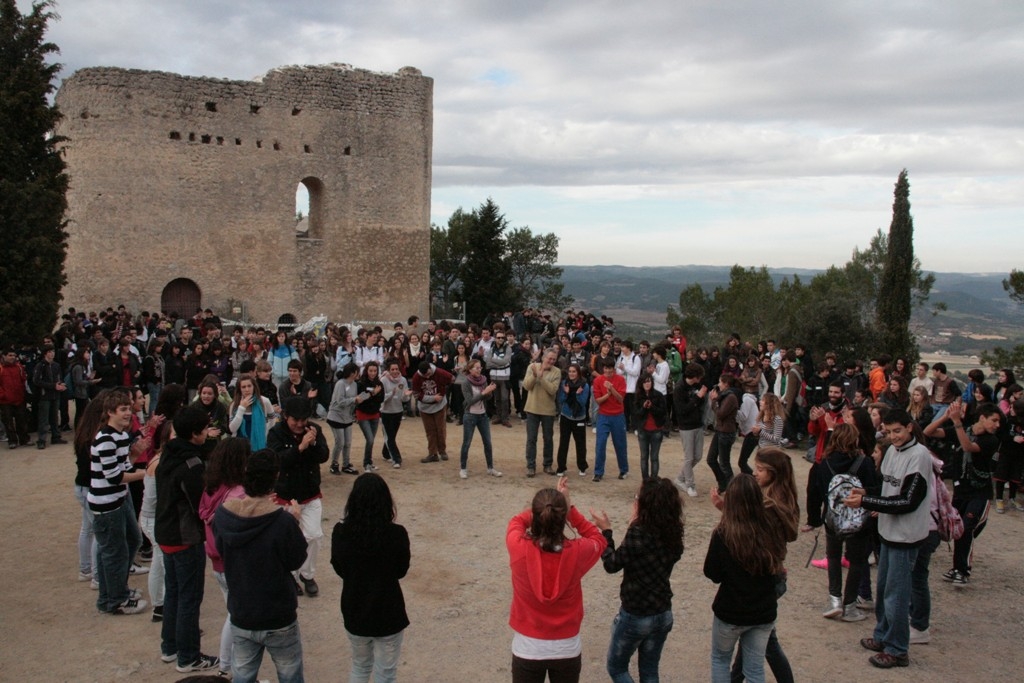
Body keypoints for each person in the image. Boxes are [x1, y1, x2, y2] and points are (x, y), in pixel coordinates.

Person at [844, 409, 933, 669]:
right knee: (883, 589)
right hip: (888, 532)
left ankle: (897, 649)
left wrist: (866, 501)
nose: (893, 436)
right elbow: (887, 489)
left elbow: (908, 501)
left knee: (897, 595)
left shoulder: (919, 456)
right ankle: (883, 635)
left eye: (898, 431)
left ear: (910, 428)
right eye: (889, 431)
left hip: (906, 536)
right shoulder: (892, 451)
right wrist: (866, 492)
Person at [214, 448, 308, 683]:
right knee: (290, 675)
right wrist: (295, 522)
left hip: (242, 610)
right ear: (275, 478)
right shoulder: (282, 521)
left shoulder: (224, 515)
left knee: (243, 675)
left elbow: (221, 550)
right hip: (277, 614)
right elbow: (296, 560)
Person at [506, 477, 606, 682]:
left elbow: (516, 521)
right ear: (562, 519)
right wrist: (569, 509)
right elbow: (598, 538)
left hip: (528, 647)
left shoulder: (518, 547)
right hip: (566, 646)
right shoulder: (578, 551)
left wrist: (544, 508)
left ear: (535, 517)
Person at [590, 478, 684, 683]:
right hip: (662, 610)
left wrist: (606, 533)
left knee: (617, 668)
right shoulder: (673, 532)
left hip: (637, 613)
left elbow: (612, 564)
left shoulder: (638, 534)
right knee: (649, 671)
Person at [704, 474, 788, 683]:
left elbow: (712, 573)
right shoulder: (770, 530)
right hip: (763, 611)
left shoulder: (724, 534)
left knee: (720, 660)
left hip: (731, 611)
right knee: (755, 669)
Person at [157, 405, 220, 673]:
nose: (207, 433)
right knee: (189, 598)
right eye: (205, 429)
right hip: (185, 538)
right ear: (195, 433)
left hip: (166, 533)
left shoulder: (168, 454)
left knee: (174, 592)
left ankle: (170, 646)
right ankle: (189, 656)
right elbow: (200, 507)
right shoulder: (191, 465)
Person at [331, 473, 410, 683]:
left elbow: (339, 567)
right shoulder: (396, 534)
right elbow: (401, 570)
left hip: (355, 608)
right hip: (388, 611)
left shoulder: (341, 532)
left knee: (360, 666)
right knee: (386, 672)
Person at [803, 423, 878, 622]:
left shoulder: (824, 463)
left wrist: (815, 518)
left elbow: (814, 491)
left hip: (832, 517)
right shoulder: (864, 462)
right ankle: (850, 605)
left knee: (833, 557)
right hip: (858, 518)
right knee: (857, 561)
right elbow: (874, 488)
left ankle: (834, 600)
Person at [925, 399, 999, 585]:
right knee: (956, 530)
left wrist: (957, 422)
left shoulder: (990, 440)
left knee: (966, 529)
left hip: (980, 494)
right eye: (994, 420)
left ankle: (962, 570)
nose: (997, 425)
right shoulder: (962, 430)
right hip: (960, 493)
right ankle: (957, 568)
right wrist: (945, 417)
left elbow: (968, 447)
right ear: (982, 418)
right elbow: (928, 432)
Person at [88, 389, 147, 615]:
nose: (128, 413)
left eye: (128, 409)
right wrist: (145, 474)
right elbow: (114, 477)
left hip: (119, 499)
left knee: (132, 540)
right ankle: (116, 599)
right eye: (123, 409)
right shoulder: (105, 439)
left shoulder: (121, 436)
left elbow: (124, 466)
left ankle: (114, 592)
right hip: (106, 504)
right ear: (110, 412)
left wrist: (135, 455)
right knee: (114, 552)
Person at [199, 438, 250, 679]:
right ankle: (227, 667)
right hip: (231, 562)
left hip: (216, 559)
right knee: (236, 616)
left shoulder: (211, 488)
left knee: (233, 612)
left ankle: (227, 666)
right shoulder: (237, 494)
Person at [268, 396, 329, 598]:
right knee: (287, 540)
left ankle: (307, 574)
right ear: (286, 416)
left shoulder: (314, 430)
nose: (300, 424)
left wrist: (313, 443)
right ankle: (291, 577)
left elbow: (324, 456)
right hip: (285, 495)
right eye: (296, 420)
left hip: (310, 493)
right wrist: (300, 447)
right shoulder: (276, 433)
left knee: (314, 535)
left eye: (304, 420)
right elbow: (277, 460)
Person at [458, 359, 503, 479]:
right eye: (477, 368)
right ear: (470, 369)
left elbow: (487, 398)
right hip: (470, 415)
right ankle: (463, 469)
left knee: (487, 442)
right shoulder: (465, 382)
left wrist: (489, 392)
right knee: (467, 443)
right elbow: (469, 401)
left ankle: (490, 468)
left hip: (483, 415)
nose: (479, 370)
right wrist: (484, 392)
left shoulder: (483, 379)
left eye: (480, 368)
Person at [523, 349, 562, 477]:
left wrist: (541, 377)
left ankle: (547, 464)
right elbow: (526, 386)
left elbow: (552, 390)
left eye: (554, 359)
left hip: (548, 410)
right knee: (531, 439)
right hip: (532, 408)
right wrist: (535, 376)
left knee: (548, 439)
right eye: (549, 358)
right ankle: (530, 466)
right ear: (543, 357)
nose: (551, 361)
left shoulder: (557, 372)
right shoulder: (532, 367)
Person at [673, 363, 708, 497]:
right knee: (689, 458)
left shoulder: (697, 385)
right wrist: (697, 397)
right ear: (694, 377)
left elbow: (700, 403)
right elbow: (682, 410)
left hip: (698, 424)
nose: (700, 380)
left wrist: (702, 397)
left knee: (698, 456)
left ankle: (680, 478)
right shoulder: (679, 388)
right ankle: (690, 485)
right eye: (699, 377)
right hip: (686, 426)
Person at [593, 357, 629, 483]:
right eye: (606, 369)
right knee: (600, 444)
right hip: (603, 415)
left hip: (618, 415)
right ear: (603, 369)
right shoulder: (598, 380)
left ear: (614, 369)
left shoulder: (620, 379)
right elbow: (598, 401)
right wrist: (608, 394)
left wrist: (612, 389)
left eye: (610, 369)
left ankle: (623, 469)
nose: (608, 371)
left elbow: (621, 399)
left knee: (620, 444)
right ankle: (598, 472)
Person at [412, 361, 454, 464]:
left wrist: (444, 389)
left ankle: (442, 451)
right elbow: (416, 395)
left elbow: (452, 378)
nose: (427, 377)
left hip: (439, 406)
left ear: (430, 369)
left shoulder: (439, 372)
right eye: (425, 376)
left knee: (441, 429)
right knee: (430, 431)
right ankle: (432, 453)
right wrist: (432, 398)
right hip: (425, 407)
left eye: (428, 374)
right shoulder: (416, 377)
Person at [707, 374, 741, 493]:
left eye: (720, 382)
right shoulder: (724, 396)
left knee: (724, 463)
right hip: (720, 430)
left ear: (726, 384)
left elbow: (720, 414)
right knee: (711, 459)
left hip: (726, 432)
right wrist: (715, 400)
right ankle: (723, 484)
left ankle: (732, 489)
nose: (718, 384)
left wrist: (714, 400)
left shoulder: (730, 397)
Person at [555, 363, 590, 477]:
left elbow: (583, 403)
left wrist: (578, 394)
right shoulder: (564, 383)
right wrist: (566, 393)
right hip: (566, 416)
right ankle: (561, 467)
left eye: (574, 371)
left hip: (579, 417)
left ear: (578, 373)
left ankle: (582, 466)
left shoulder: (585, 385)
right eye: (570, 371)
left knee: (580, 443)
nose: (571, 374)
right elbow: (560, 400)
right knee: (563, 442)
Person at [327, 363, 360, 475]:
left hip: (347, 417)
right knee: (340, 442)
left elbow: (353, 400)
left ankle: (346, 464)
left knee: (348, 443)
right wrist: (354, 400)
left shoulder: (354, 384)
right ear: (352, 373)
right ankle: (334, 464)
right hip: (336, 417)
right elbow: (339, 402)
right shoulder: (340, 384)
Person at [633, 374, 668, 481]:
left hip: (656, 429)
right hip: (643, 430)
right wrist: (644, 408)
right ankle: (645, 480)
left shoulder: (658, 395)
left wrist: (652, 407)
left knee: (654, 457)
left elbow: (663, 412)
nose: (647, 384)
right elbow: (636, 414)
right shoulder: (638, 396)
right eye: (645, 382)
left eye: (649, 381)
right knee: (644, 457)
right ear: (641, 384)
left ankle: (653, 480)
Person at [228, 373, 276, 450]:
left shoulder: (264, 401)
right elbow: (232, 429)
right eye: (243, 387)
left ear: (254, 387)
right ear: (240, 389)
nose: (247, 389)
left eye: (249, 386)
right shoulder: (234, 404)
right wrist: (241, 408)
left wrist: (266, 434)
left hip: (260, 445)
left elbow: (272, 420)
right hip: (240, 447)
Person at [380, 359, 413, 469]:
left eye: (396, 369)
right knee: (390, 437)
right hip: (386, 412)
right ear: (388, 370)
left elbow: (403, 398)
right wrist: (391, 393)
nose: (395, 371)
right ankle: (396, 459)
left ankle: (385, 453)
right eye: (392, 369)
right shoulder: (383, 380)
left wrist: (406, 395)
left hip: (398, 411)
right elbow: (381, 398)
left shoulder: (403, 380)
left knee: (392, 436)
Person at [354, 361, 385, 473]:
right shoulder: (361, 383)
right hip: (363, 414)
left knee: (371, 440)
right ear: (366, 371)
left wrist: (372, 396)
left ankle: (370, 462)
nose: (373, 373)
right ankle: (366, 463)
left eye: (375, 371)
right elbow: (361, 399)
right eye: (370, 371)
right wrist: (373, 394)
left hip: (375, 414)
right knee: (370, 439)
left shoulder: (379, 383)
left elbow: (381, 399)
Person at [0, 347, 31, 448]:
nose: (12, 357)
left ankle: (24, 439)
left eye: (14, 355)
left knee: (22, 420)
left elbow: (24, 381)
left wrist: (24, 393)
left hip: (19, 398)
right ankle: (12, 441)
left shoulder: (19, 367)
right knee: (8, 422)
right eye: (10, 355)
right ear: (4, 356)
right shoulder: (1, 368)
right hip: (5, 401)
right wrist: (3, 395)